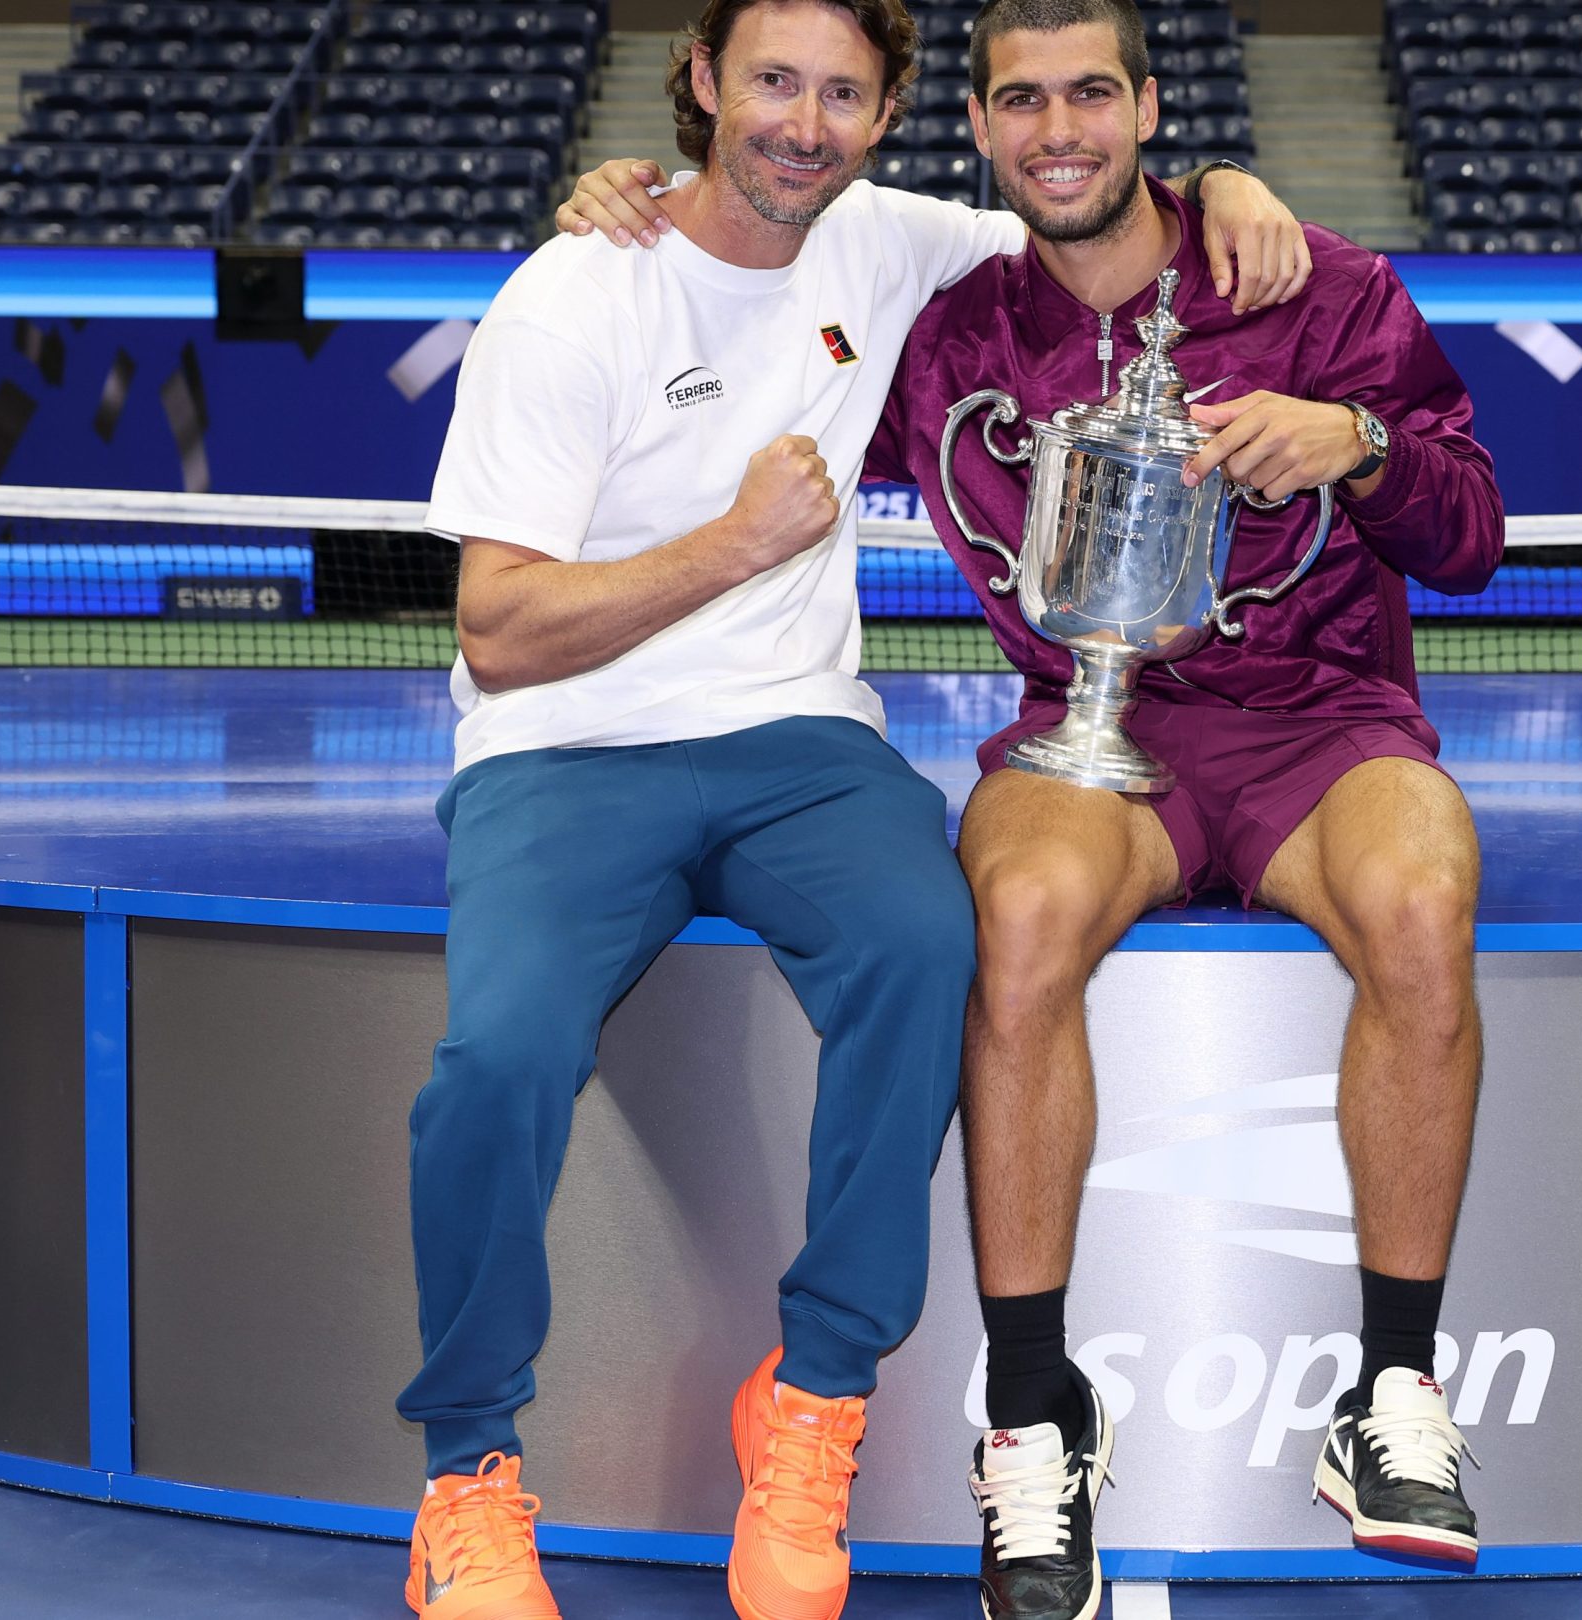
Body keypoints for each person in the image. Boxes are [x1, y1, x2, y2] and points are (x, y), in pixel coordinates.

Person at [556, 1, 1505, 1611]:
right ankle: (1032, 1414)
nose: (1057, 129)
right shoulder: (945, 326)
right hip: (1088, 732)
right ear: (981, 132)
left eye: (1090, 95)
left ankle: (1394, 1394)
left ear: (1146, 108)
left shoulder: (1313, 284)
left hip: (1322, 726)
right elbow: (757, 240)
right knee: (1017, 916)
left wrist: (1354, 445)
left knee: (1424, 896)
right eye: (1020, 102)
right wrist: (624, 202)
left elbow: (1472, 532)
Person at [400, 2, 1310, 1618]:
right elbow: (498, 630)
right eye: (771, 84)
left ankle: (814, 1406)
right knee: (497, 1057)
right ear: (700, 82)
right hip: (561, 748)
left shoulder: (896, 244)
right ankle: (468, 1475)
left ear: (893, 116)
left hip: (799, 743)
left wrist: (1230, 178)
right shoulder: (570, 295)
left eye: (841, 94)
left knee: (922, 947)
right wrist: (731, 548)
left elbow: (1086, 195)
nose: (802, 126)